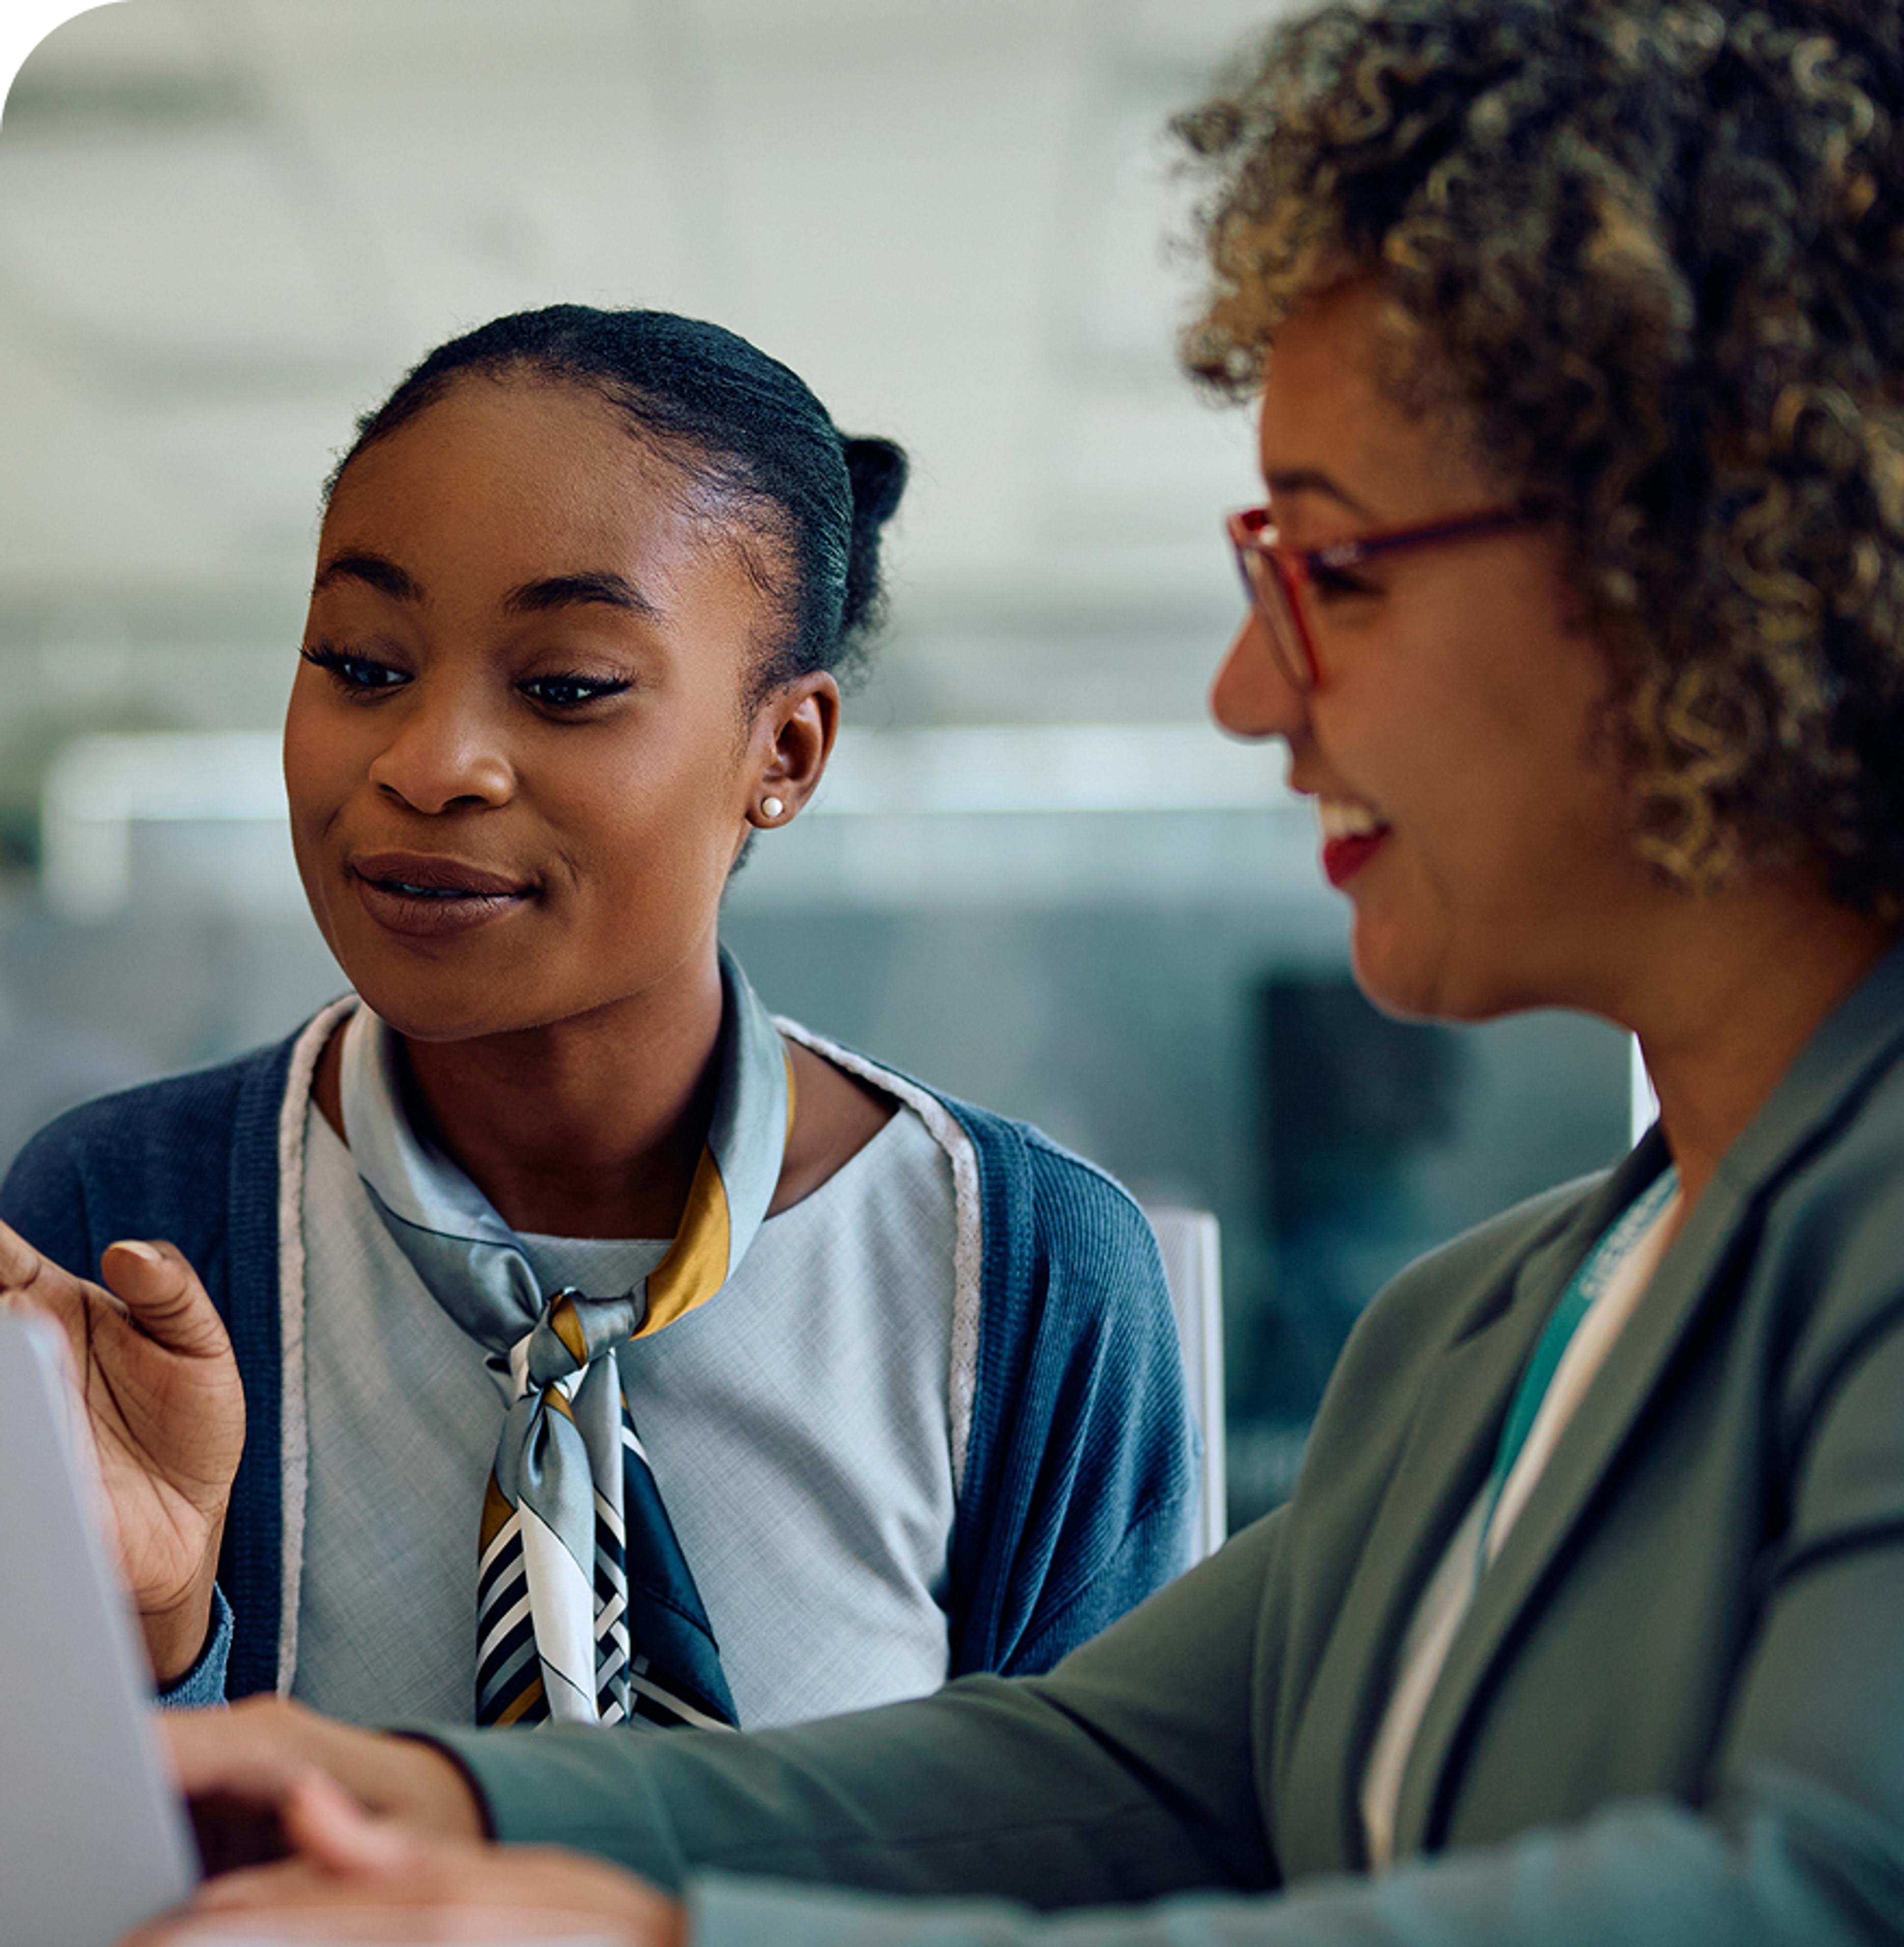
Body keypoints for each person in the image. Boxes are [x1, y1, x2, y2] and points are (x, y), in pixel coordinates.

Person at [76, 2, 1904, 1947]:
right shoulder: (1490, 1319)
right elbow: (1104, 1782)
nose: (1244, 691)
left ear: (1726, 560)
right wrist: (434, 1805)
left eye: (1337, 572)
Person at [0, 306, 1199, 1734]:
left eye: (567, 686)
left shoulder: (1022, 1272)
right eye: (362, 664)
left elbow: (1097, 1866)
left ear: (786, 751)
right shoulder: (130, 1212)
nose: (430, 763)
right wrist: (153, 1636)